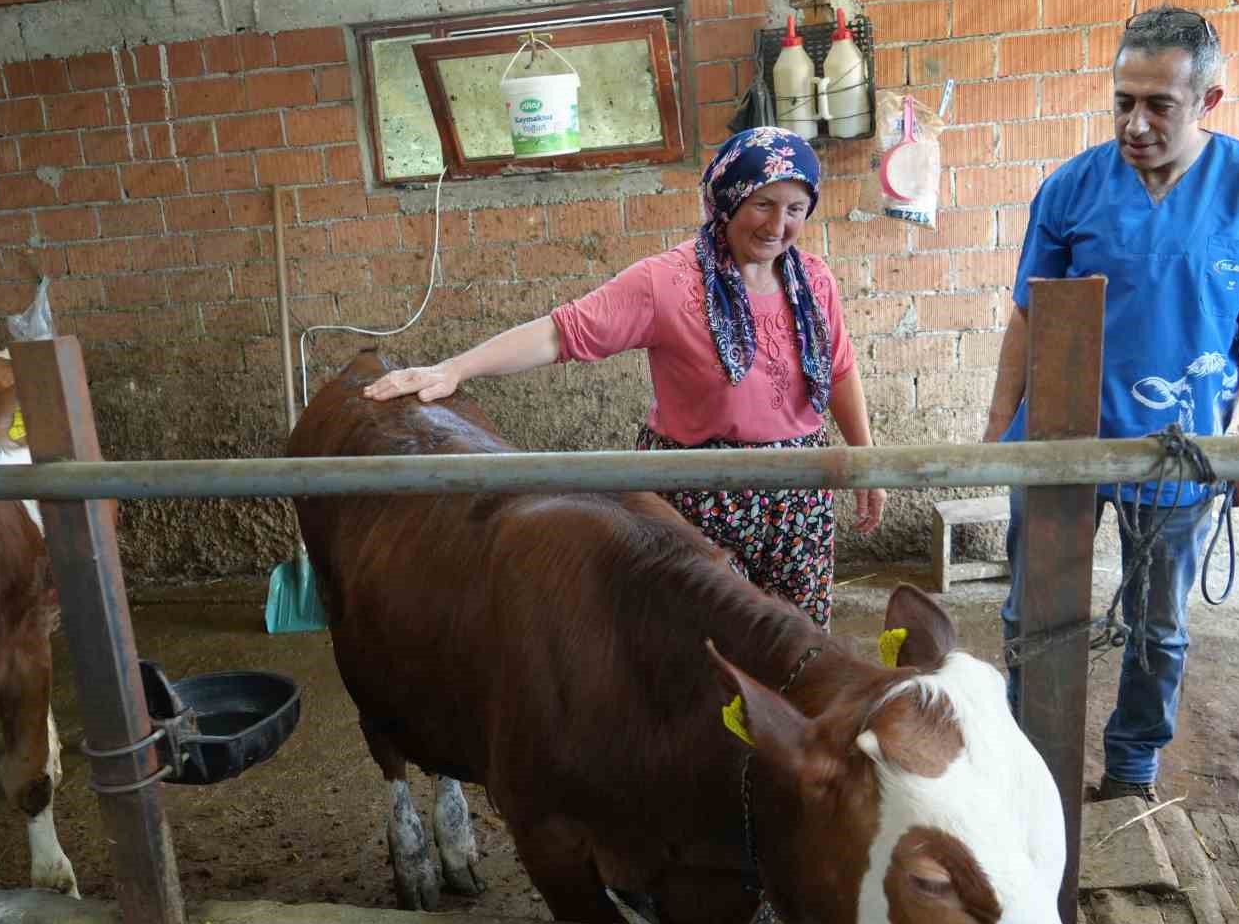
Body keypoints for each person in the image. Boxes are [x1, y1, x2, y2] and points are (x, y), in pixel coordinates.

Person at [983, 5, 1239, 803]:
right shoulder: (1071, 189)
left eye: (1159, 105)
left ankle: (1133, 762)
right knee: (1032, 611)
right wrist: (1000, 432)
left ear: (1207, 101)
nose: (1135, 123)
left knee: (1159, 624)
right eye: (1122, 101)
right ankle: (1029, 759)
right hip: (1061, 442)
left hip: (1180, 448)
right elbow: (1028, 319)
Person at [365, 126, 884, 629]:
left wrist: (866, 461)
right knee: (706, 640)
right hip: (700, 491)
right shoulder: (667, 282)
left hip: (801, 488)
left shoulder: (812, 279)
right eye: (763, 205)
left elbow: (838, 368)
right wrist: (454, 368)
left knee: (800, 638)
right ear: (726, 201)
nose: (778, 226)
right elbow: (560, 333)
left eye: (795, 209)